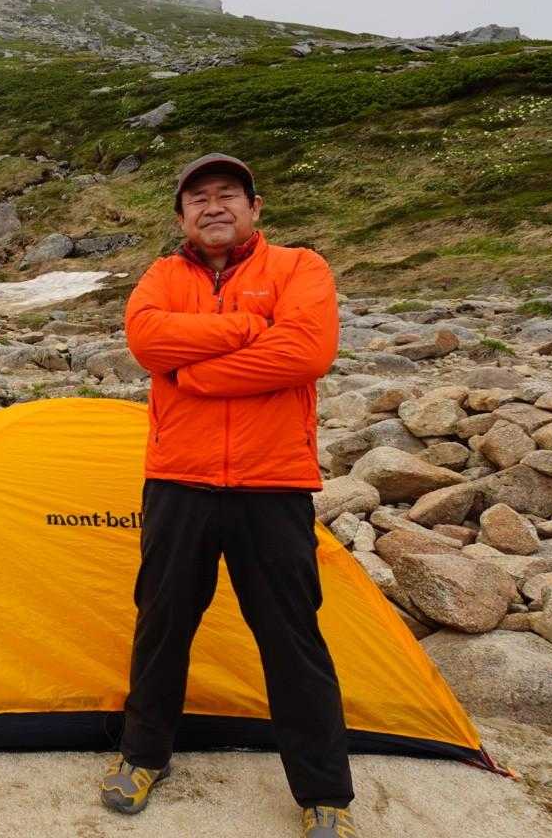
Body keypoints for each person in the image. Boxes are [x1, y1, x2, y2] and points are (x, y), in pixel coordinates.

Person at [101, 153, 356, 838]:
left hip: (273, 483)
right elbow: (148, 341)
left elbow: (307, 352)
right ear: (181, 216)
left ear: (255, 206)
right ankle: (143, 757)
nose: (213, 206)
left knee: (291, 637)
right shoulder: (162, 276)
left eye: (227, 194)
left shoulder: (300, 268)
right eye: (198, 198)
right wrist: (247, 329)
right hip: (178, 480)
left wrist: (199, 376)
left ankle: (324, 792)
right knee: (162, 626)